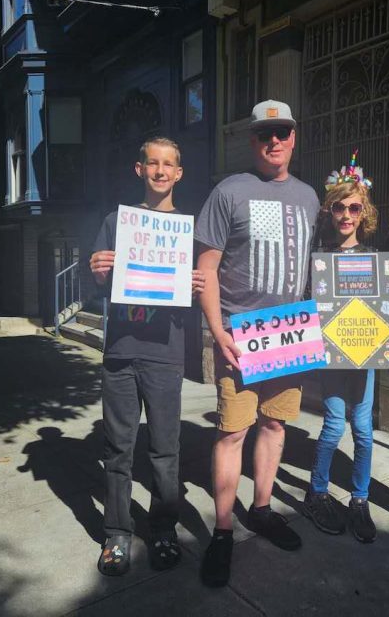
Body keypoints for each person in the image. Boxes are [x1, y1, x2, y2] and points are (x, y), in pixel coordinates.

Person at [195, 100, 320, 587]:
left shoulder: (310, 197)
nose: (274, 141)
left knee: (275, 425)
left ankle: (263, 508)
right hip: (241, 336)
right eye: (265, 133)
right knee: (231, 432)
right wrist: (217, 332)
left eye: (282, 132)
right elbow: (205, 270)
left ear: (294, 136)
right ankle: (223, 530)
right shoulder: (229, 191)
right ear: (253, 140)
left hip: (288, 334)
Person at [89, 137, 205, 576]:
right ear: (140, 169)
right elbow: (98, 285)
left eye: (168, 165)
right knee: (117, 449)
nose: (159, 171)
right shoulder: (115, 223)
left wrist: (196, 287)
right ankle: (116, 532)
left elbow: (197, 294)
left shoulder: (189, 232)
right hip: (120, 351)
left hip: (165, 353)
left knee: (164, 449)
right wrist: (96, 271)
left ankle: (162, 530)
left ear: (178, 173)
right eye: (151, 163)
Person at [302, 155, 389, 544]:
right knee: (333, 425)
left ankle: (359, 499)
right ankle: (316, 491)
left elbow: (386, 306)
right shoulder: (318, 258)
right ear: (329, 210)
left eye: (354, 207)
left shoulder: (376, 256)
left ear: (364, 211)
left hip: (366, 354)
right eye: (339, 207)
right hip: (333, 355)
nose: (346, 214)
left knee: (363, 428)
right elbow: (310, 305)